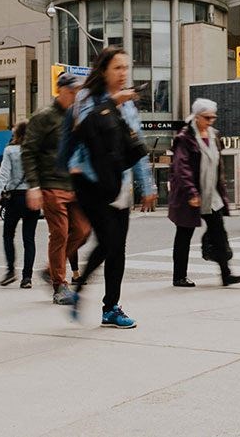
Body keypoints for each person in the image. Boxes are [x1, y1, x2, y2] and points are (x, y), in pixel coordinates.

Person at [67, 47, 156, 328]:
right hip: (92, 182)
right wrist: (112, 101)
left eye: (126, 68)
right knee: (108, 242)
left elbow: (136, 144)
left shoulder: (128, 105)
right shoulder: (86, 97)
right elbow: (83, 131)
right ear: (103, 70)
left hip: (120, 184)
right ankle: (81, 290)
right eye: (117, 68)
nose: (123, 73)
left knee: (117, 248)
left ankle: (111, 308)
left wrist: (147, 184)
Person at [22, 72, 90, 304]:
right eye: (72, 91)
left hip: (74, 186)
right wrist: (33, 186)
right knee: (60, 232)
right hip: (51, 184)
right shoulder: (44, 117)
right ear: (60, 90)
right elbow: (28, 151)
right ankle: (60, 285)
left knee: (83, 230)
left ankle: (51, 269)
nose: (76, 96)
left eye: (78, 92)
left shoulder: (78, 117)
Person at [168, 98, 240, 288]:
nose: (211, 121)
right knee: (184, 235)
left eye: (213, 117)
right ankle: (179, 277)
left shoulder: (214, 135)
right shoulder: (184, 138)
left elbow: (218, 165)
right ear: (196, 117)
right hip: (190, 195)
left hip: (212, 194)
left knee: (219, 232)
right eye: (207, 117)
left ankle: (226, 274)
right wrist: (192, 192)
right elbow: (182, 168)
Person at [0, 121, 39, 289]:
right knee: (29, 238)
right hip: (32, 195)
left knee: (8, 235)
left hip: (15, 197)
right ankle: (27, 277)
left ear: (16, 134)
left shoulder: (10, 151)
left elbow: (3, 175)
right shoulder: (35, 150)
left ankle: (10, 270)